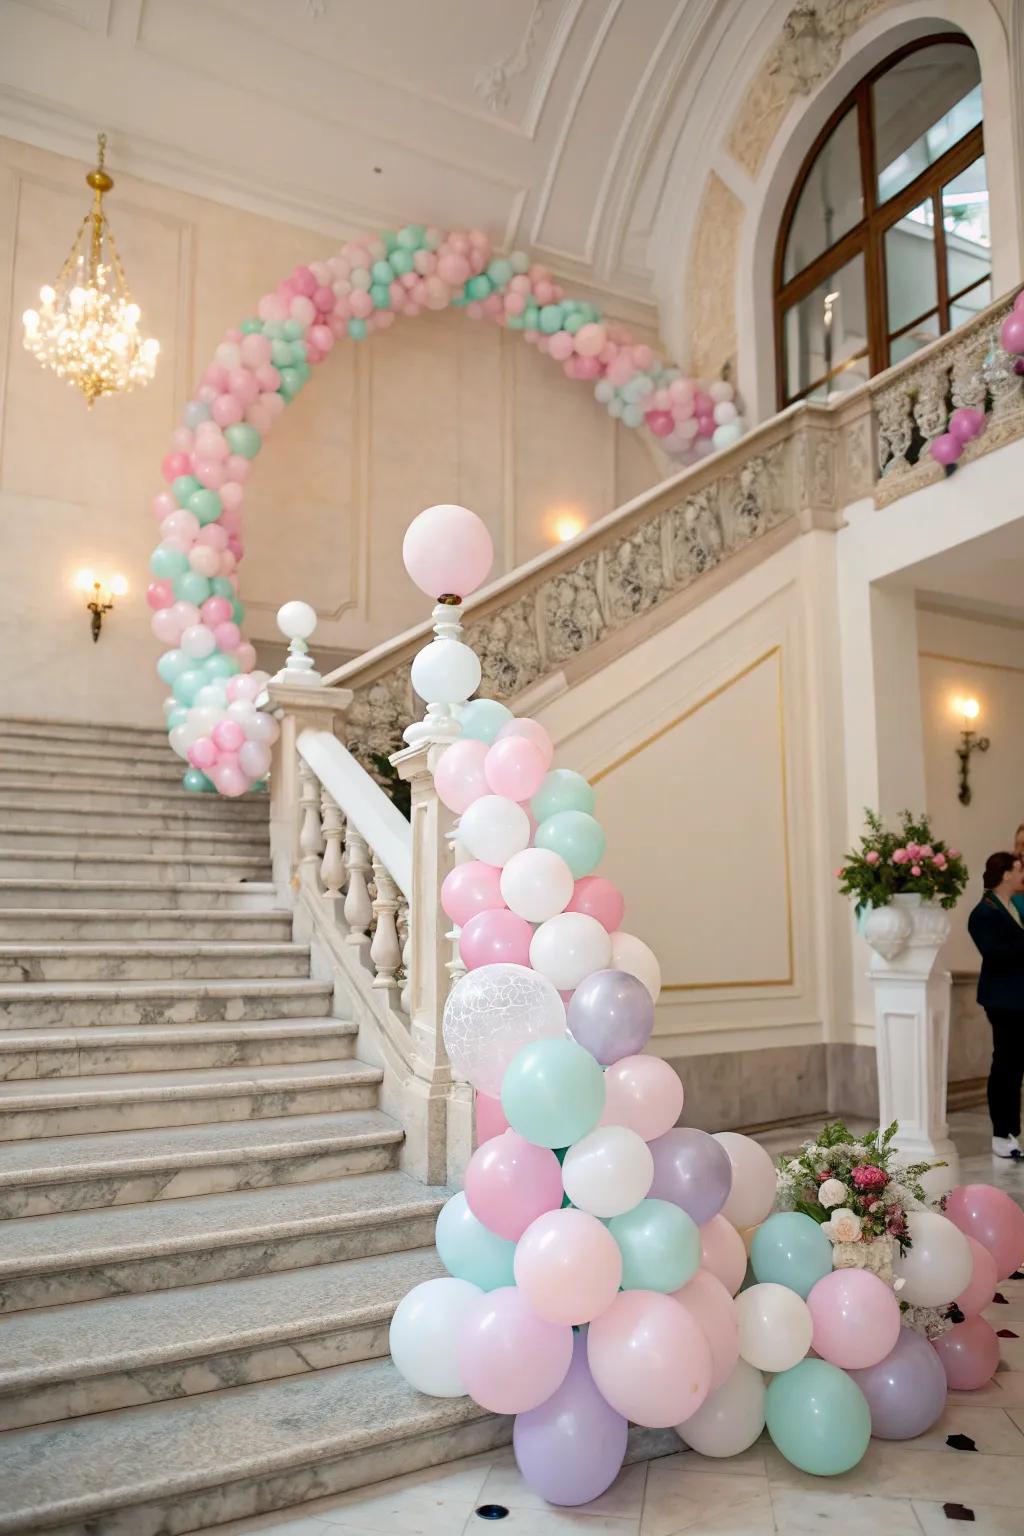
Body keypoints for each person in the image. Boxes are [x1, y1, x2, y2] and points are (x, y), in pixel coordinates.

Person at [967, 851, 1024, 1158]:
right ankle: (1001, 1133)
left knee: (1015, 1066)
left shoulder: (1010, 907)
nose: (1021, 875)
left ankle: (1012, 1133)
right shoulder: (984, 912)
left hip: (1017, 999)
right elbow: (996, 953)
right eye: (1018, 870)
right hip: (1003, 1000)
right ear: (1005, 874)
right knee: (1005, 1065)